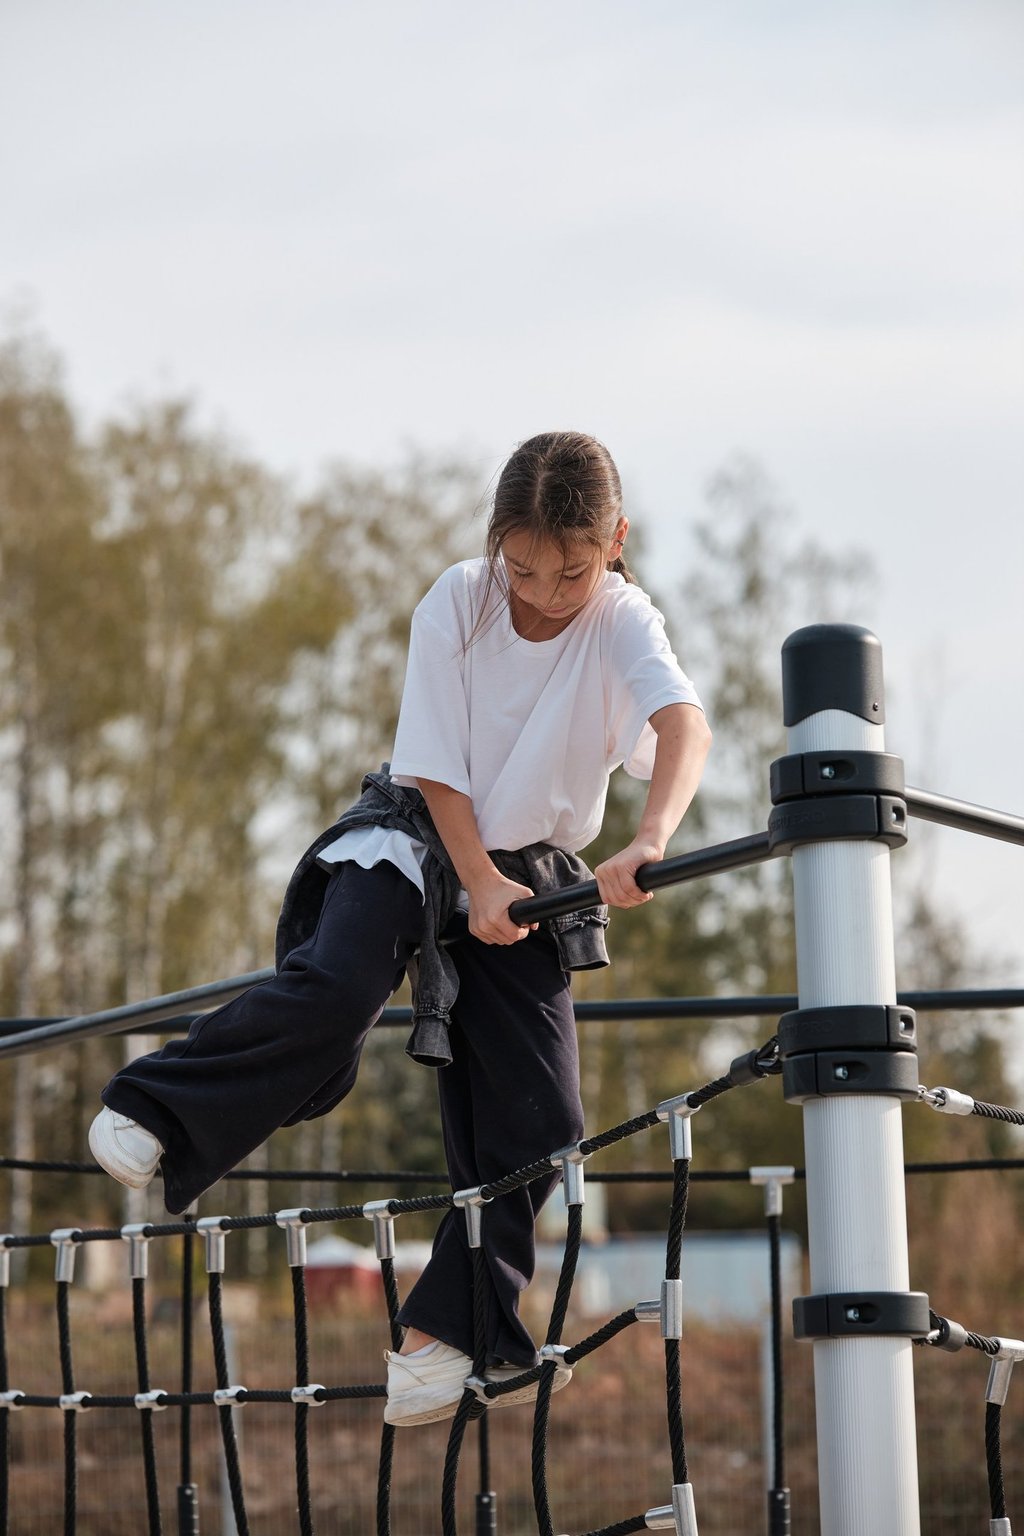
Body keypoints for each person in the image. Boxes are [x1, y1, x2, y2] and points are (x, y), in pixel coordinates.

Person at [89, 430, 712, 1427]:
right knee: (335, 990)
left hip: (527, 877)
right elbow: (436, 765)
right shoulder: (458, 599)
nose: (545, 595)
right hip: (417, 835)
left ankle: (445, 1334)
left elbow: (684, 723)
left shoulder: (624, 619)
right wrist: (474, 879)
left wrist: (649, 839)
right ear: (495, 543)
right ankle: (158, 1107)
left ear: (616, 542)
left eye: (572, 572)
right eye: (523, 569)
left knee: (543, 1124)